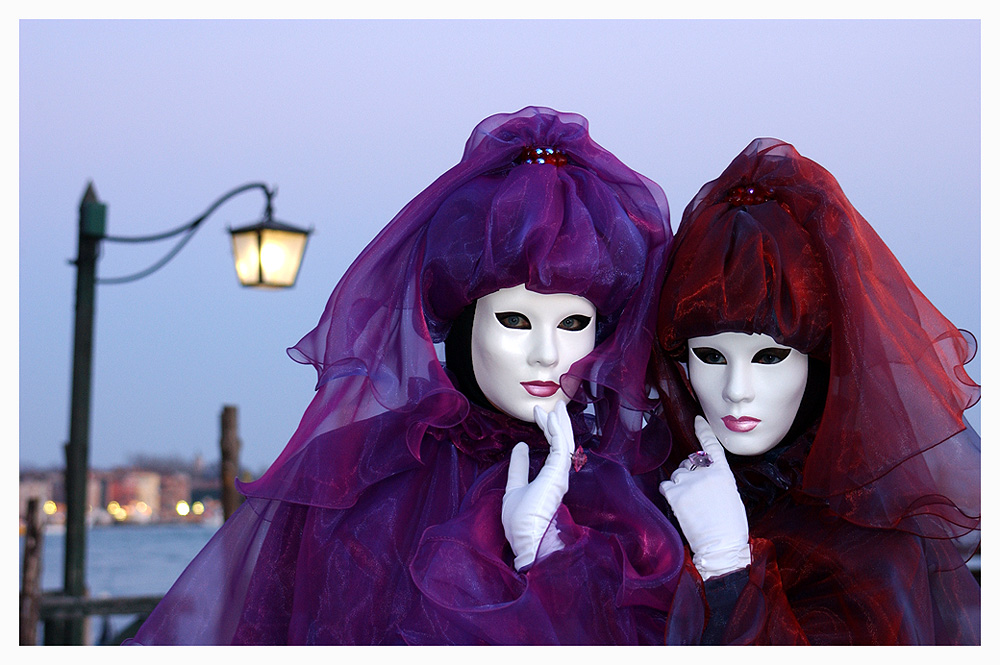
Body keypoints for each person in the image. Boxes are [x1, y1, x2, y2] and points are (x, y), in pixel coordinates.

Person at [125, 106, 689, 645]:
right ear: (464, 322)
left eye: (572, 323)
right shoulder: (364, 483)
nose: (546, 353)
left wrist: (549, 558)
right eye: (515, 320)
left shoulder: (634, 491)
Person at [653, 138, 981, 645]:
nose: (737, 391)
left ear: (820, 362)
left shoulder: (871, 551)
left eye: (770, 356)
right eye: (712, 357)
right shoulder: (652, 502)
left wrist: (726, 568)